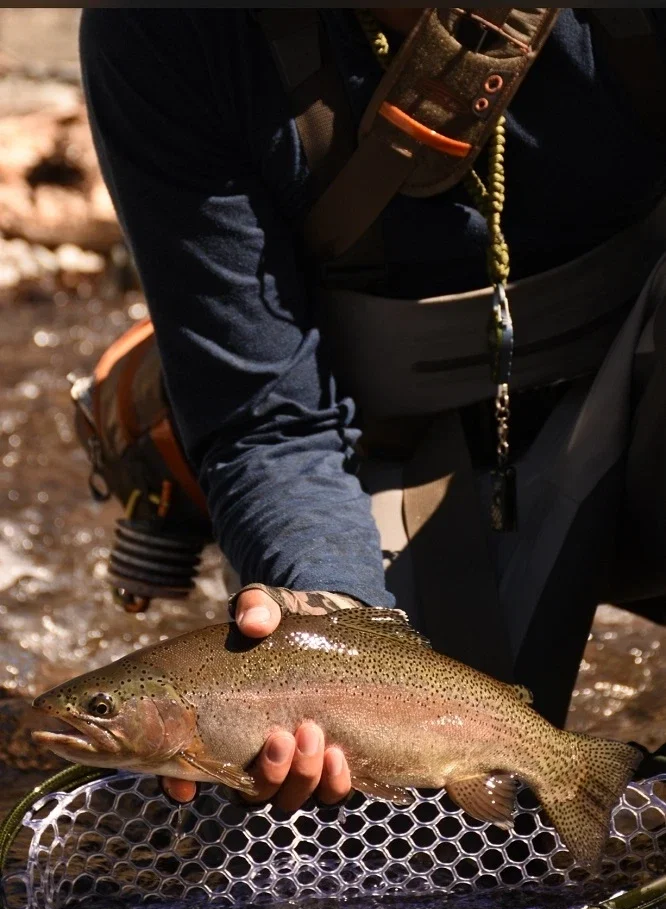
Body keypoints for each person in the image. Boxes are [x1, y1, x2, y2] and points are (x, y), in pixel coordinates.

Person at [79, 8, 666, 812]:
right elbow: (269, 420)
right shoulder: (165, 28)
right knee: (430, 828)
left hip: (646, 425)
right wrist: (326, 605)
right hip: (379, 453)